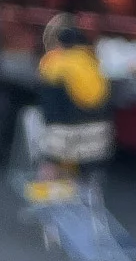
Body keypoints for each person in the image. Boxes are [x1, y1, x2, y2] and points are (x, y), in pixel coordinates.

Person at [35, 17, 113, 183]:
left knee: (52, 164)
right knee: (85, 174)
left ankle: (51, 191)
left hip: (65, 132)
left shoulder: (55, 63)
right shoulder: (95, 63)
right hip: (96, 135)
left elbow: (48, 94)